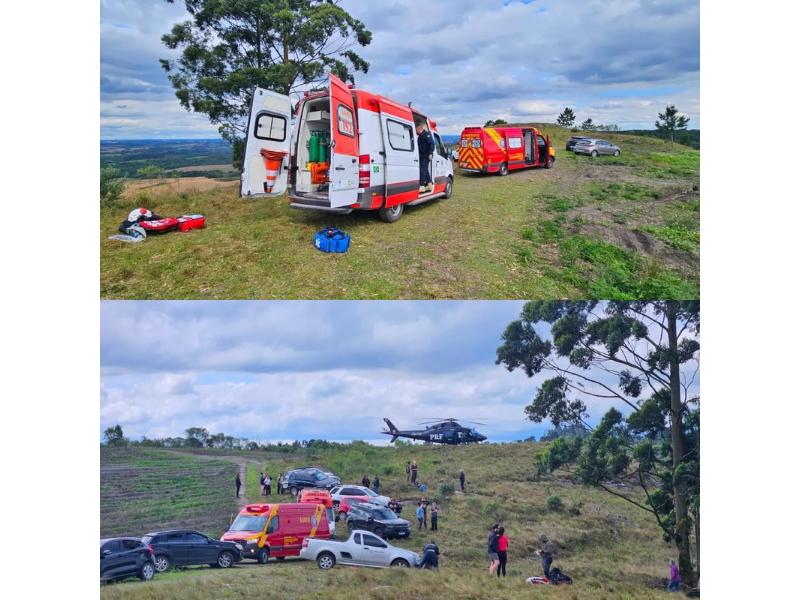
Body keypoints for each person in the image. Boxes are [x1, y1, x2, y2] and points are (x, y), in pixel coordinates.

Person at [416, 123, 435, 193]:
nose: (416, 132)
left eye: (416, 130)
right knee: (425, 170)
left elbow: (432, 144)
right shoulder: (420, 136)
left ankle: (422, 186)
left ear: (419, 129)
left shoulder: (427, 134)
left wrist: (430, 153)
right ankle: (430, 185)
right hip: (421, 156)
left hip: (426, 155)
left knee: (422, 170)